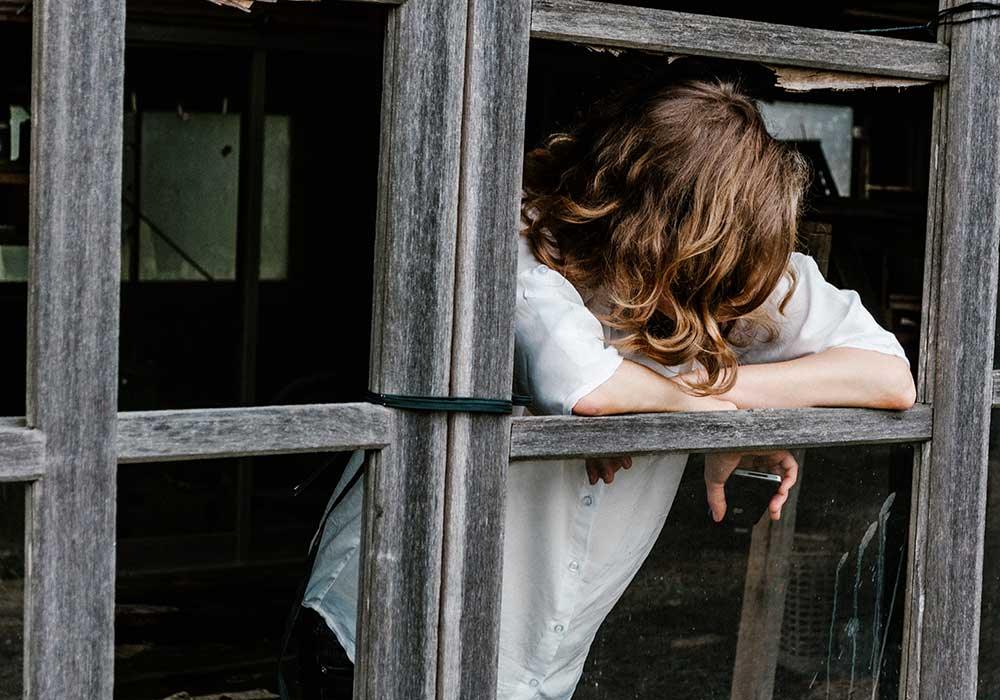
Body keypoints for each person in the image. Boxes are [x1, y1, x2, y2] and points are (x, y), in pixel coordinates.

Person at [296, 62, 916, 700]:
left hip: (542, 663)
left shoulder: (743, 260)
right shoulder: (518, 232)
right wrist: (704, 413)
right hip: (385, 626)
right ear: (656, 219)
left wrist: (719, 407)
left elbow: (889, 377)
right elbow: (586, 389)